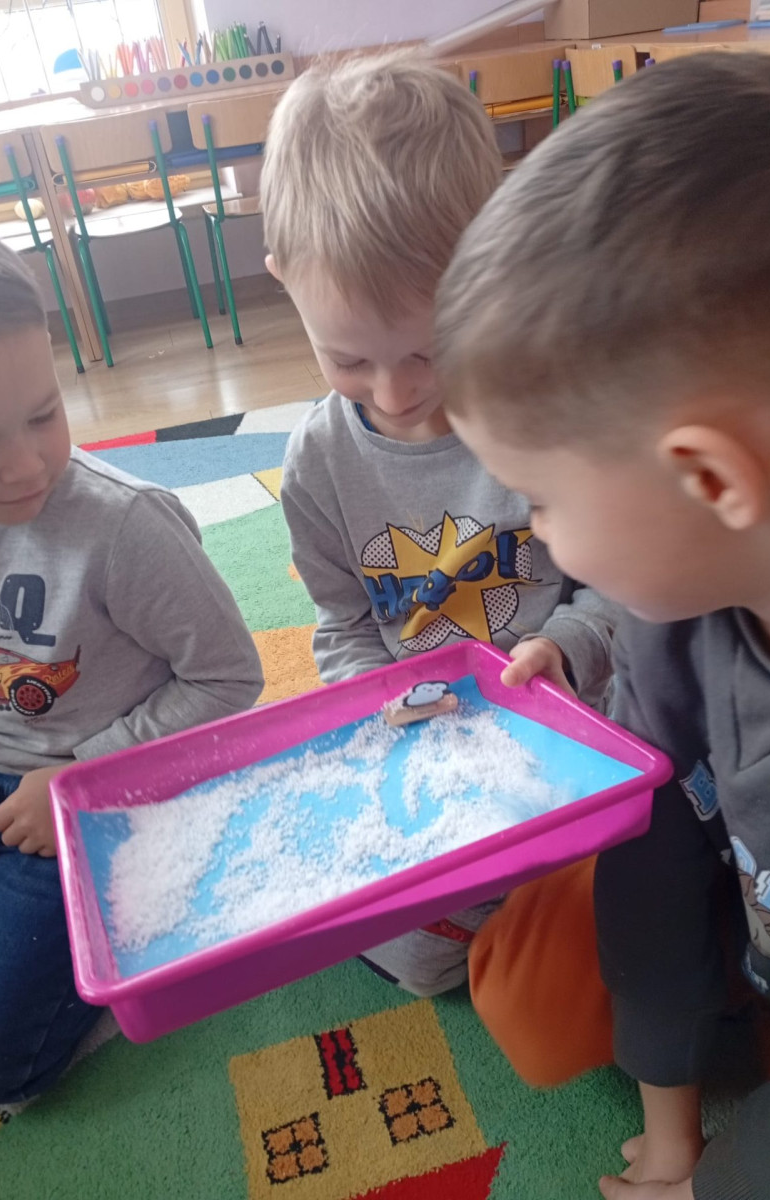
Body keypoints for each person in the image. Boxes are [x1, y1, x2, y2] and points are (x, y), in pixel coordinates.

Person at [435, 50, 770, 1200]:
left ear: (706, 480)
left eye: (541, 498)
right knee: (535, 997)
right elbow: (649, 847)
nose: (536, 536)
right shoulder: (681, 602)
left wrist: (727, 1178)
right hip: (759, 913)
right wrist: (672, 1124)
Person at [261, 53, 617, 999]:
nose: (394, 393)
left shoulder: (544, 416)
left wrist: (566, 646)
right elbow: (342, 623)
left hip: (563, 716)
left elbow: (622, 585)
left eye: (429, 351)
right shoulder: (318, 463)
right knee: (411, 956)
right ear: (284, 283)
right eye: (349, 360)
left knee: (609, 922)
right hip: (423, 737)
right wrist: (377, 700)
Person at [0, 202, 263, 1104]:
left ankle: (131, 951)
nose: (26, 465)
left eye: (44, 414)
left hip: (110, 791)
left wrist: (81, 775)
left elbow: (228, 677)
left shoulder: (124, 526)